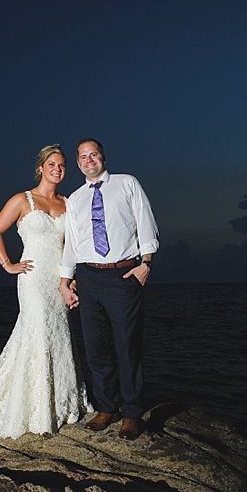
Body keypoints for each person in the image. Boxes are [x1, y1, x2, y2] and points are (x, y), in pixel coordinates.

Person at [0, 144, 91, 438]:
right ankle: (35, 409)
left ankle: (60, 404)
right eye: (52, 164)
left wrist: (70, 278)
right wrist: (7, 264)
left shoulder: (69, 203)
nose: (57, 168)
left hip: (58, 280)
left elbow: (70, 248)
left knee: (59, 332)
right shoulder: (22, 200)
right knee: (38, 328)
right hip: (33, 277)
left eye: (62, 165)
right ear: (40, 167)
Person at [59, 138, 159, 441]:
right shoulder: (74, 199)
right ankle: (106, 408)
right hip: (88, 278)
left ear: (103, 157)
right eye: (83, 157)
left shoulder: (127, 183)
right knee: (96, 346)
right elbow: (72, 244)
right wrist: (66, 280)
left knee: (127, 345)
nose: (89, 160)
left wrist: (146, 263)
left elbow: (145, 220)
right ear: (78, 164)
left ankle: (130, 413)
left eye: (94, 155)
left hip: (123, 275)